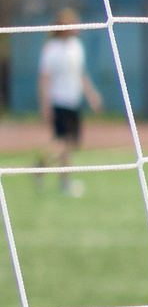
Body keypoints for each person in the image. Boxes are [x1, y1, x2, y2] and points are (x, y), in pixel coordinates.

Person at [38, 12, 101, 195]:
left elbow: (81, 75)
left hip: (74, 101)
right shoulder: (52, 48)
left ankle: (43, 166)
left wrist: (92, 96)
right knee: (63, 142)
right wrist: (45, 105)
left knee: (71, 143)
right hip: (59, 101)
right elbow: (44, 78)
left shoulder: (76, 46)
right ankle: (62, 180)